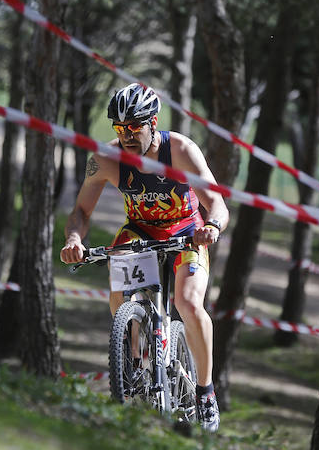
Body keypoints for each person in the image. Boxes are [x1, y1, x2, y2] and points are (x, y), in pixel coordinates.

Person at [60, 83, 229, 432]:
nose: (126, 137)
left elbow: (217, 203)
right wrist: (75, 238)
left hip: (187, 230)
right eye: (119, 129)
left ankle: (206, 391)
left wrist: (211, 226)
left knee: (188, 302)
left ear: (153, 122)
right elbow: (80, 209)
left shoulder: (181, 149)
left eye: (134, 127)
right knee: (120, 291)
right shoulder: (104, 159)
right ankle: (133, 364)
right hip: (141, 230)